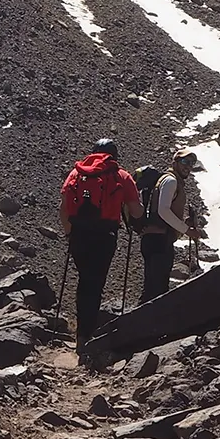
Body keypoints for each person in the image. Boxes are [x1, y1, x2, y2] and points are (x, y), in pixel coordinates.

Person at [60, 139, 141, 341]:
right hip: (105, 236)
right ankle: (87, 335)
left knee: (85, 280)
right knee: (95, 283)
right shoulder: (121, 176)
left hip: (79, 235)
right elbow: (136, 211)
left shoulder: (76, 173)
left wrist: (70, 233)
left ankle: (82, 332)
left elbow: (64, 209)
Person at [137, 148, 202, 303]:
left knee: (152, 287)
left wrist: (183, 224)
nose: (188, 166)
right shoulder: (171, 181)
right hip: (160, 240)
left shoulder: (166, 180)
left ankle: (140, 321)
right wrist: (187, 230)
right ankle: (148, 324)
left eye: (192, 163)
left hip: (153, 238)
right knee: (158, 290)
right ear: (175, 162)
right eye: (185, 161)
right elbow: (163, 210)